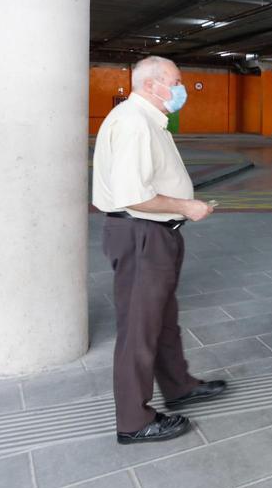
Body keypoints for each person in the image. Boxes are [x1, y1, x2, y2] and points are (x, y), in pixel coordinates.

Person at [92, 56, 225, 444]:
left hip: (153, 236)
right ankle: (134, 421)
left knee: (162, 318)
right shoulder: (134, 123)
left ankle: (179, 385)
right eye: (178, 81)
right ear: (154, 84)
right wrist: (188, 206)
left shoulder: (149, 119)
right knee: (139, 328)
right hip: (141, 236)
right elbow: (134, 195)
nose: (183, 89)